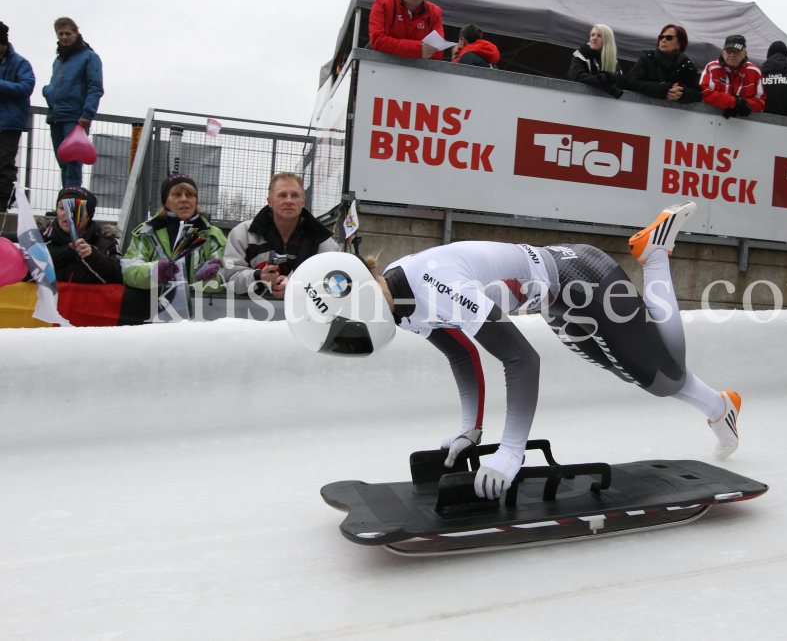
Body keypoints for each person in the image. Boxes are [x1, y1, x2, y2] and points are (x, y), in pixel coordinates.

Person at [287, 201, 742, 501]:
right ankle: (722, 407)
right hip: (558, 296)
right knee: (638, 372)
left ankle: (655, 254)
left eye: (345, 330)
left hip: (583, 277)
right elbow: (462, 354)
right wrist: (470, 430)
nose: (354, 340)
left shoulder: (435, 287)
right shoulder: (398, 300)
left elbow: (521, 359)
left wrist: (510, 451)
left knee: (665, 376)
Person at [223, 172, 339, 297]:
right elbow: (230, 280)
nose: (289, 200)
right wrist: (259, 277)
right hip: (250, 312)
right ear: (270, 201)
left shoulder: (322, 240)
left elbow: (337, 281)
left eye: (295, 195)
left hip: (305, 312)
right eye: (282, 195)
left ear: (303, 202)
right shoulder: (242, 234)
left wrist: (298, 285)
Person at [121, 175, 226, 292]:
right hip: (154, 306)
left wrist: (207, 279)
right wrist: (154, 273)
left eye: (189, 195)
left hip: (200, 307)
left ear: (196, 200)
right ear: (165, 201)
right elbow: (129, 271)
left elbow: (226, 276)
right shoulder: (147, 232)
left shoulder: (212, 235)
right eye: (177, 195)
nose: (184, 199)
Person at [41, 17, 103, 189]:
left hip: (75, 118)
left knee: (73, 163)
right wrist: (47, 91)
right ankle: (65, 202)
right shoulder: (59, 60)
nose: (64, 37)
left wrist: (87, 114)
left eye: (68, 33)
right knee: (63, 161)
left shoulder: (89, 57)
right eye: (60, 34)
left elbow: (95, 88)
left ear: (76, 33)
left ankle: (72, 202)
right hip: (56, 116)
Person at [41, 187, 122, 284]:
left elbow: (118, 277)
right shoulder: (39, 240)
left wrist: (93, 257)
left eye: (77, 209)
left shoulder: (106, 243)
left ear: (88, 216)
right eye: (63, 208)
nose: (69, 214)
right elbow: (24, 274)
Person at [368, 0, 444, 61]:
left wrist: (406, 49)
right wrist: (419, 49)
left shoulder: (434, 13)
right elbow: (378, 41)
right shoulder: (383, 3)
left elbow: (439, 51)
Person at [0, 21, 35, 212]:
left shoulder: (21, 63)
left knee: (4, 164)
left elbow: (26, 87)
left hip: (9, 123)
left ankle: (2, 203)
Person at [626, 25, 701, 103]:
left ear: (679, 43)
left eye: (669, 38)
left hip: (674, 113)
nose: (663, 40)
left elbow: (698, 95)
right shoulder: (647, 59)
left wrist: (682, 92)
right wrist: (664, 89)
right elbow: (631, 82)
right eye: (661, 37)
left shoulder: (688, 66)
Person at [700, 35, 766, 118]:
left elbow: (761, 102)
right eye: (729, 51)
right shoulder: (712, 68)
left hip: (744, 126)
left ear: (745, 54)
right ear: (723, 52)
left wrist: (744, 105)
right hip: (710, 121)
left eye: (737, 51)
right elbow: (705, 93)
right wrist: (734, 102)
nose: (732, 54)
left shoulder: (754, 71)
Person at [568, 24, 625, 99]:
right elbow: (576, 75)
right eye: (592, 35)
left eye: (599, 36)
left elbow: (622, 83)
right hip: (579, 99)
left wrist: (609, 76)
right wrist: (606, 86)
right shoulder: (582, 54)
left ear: (607, 40)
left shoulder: (613, 62)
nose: (594, 38)